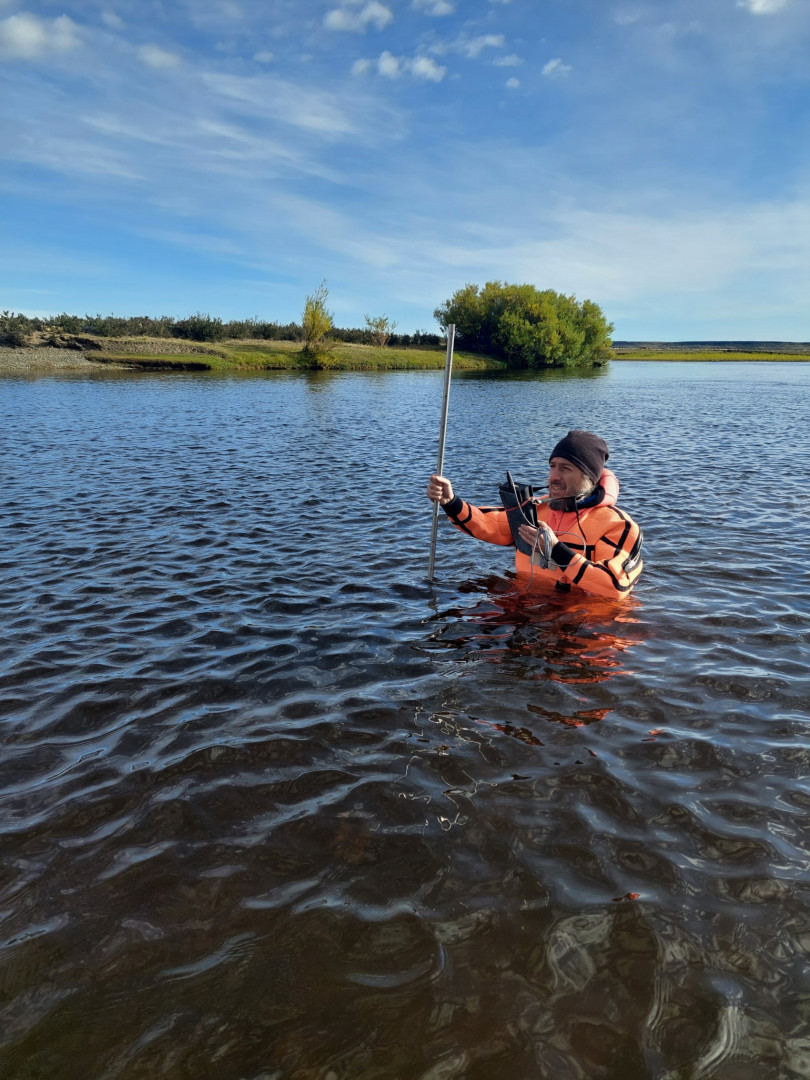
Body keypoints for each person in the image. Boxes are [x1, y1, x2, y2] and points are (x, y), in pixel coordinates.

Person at [426, 429, 643, 599]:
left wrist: (557, 550)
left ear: (589, 478)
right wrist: (451, 502)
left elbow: (615, 585)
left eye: (566, 468)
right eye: (552, 466)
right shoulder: (537, 510)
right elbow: (492, 525)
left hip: (583, 626)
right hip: (530, 607)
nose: (554, 476)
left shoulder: (618, 526)